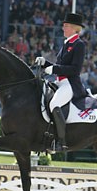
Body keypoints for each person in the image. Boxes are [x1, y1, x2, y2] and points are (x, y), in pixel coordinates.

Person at [36, 13, 86, 151]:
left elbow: (75, 69)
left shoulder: (79, 44)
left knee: (54, 104)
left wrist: (54, 69)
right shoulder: (67, 44)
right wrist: (45, 63)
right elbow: (59, 66)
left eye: (66, 26)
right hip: (60, 82)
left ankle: (61, 142)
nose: (63, 28)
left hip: (70, 83)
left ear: (74, 28)